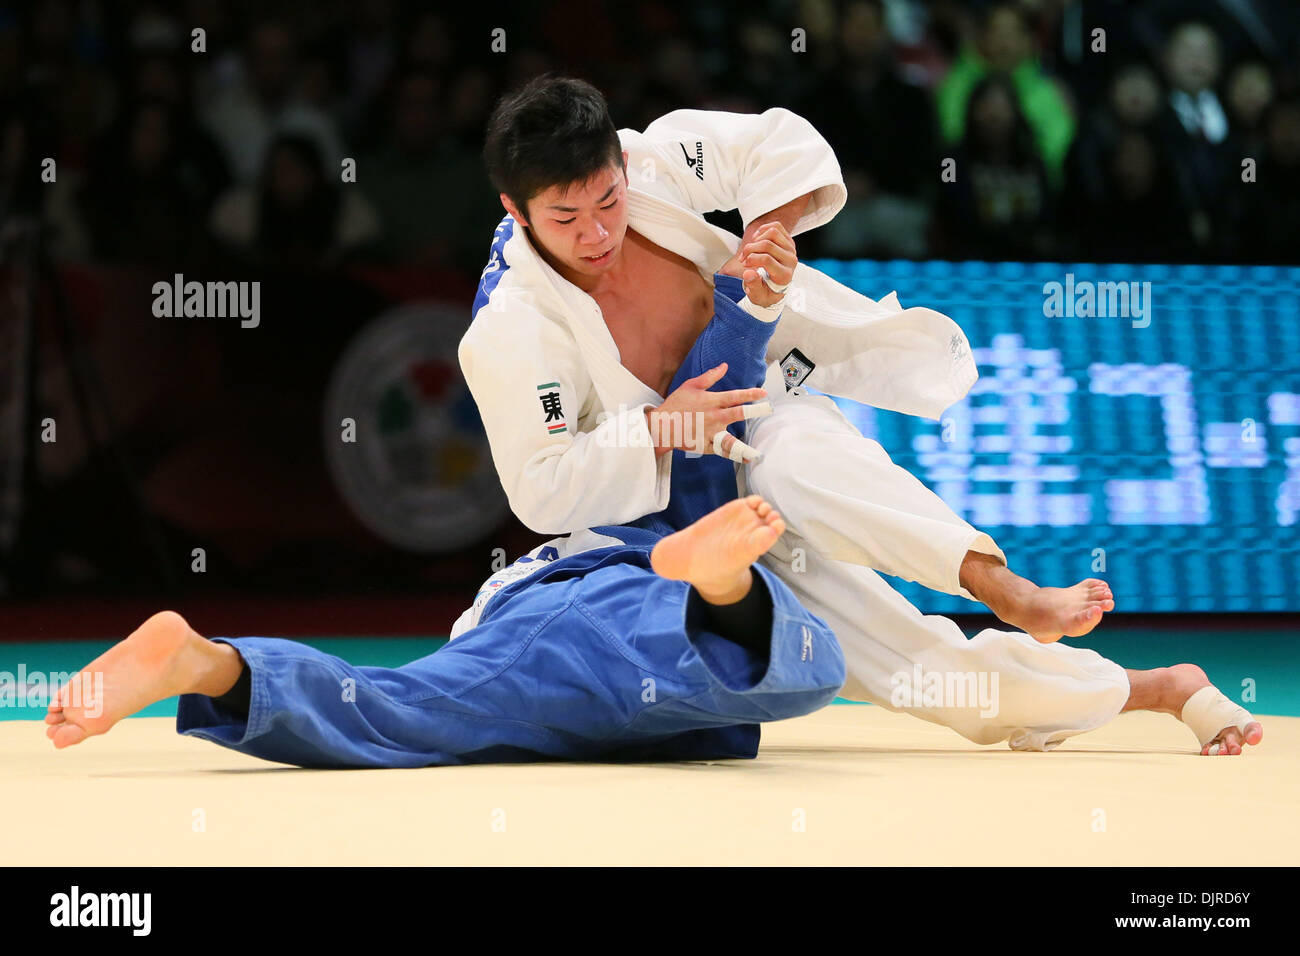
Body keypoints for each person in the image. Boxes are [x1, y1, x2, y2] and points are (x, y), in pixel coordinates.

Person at [460, 74, 1262, 756]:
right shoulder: (510, 327)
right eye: (567, 220)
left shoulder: (653, 159)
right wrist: (660, 426)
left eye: (608, 199)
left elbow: (779, 142)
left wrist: (768, 234)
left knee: (794, 462)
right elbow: (543, 489)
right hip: (672, 515)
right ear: (515, 208)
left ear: (617, 163)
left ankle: (1003, 584)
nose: (599, 232)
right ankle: (1162, 690)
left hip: (763, 415)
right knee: (930, 678)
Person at [45, 496, 846, 767]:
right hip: (626, 606)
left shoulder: (509, 619)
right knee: (809, 666)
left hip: (589, 620)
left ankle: (206, 664)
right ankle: (723, 586)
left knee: (402, 708)